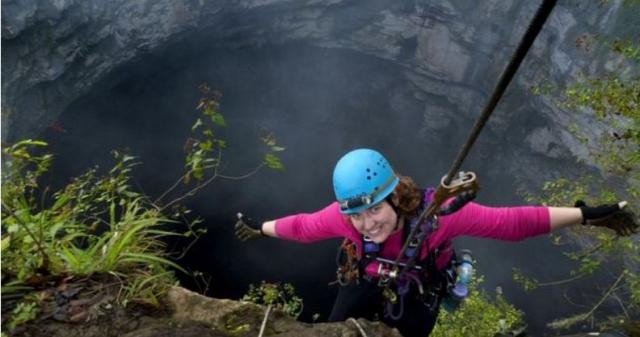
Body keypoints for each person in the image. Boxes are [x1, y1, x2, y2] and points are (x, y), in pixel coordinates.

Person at [235, 148, 637, 337]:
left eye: (374, 210)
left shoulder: (437, 215)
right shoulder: (345, 219)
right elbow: (302, 227)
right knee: (335, 332)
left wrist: (585, 214)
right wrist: (260, 228)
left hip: (418, 291)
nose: (365, 224)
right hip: (365, 282)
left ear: (395, 195)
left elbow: (513, 222)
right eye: (356, 215)